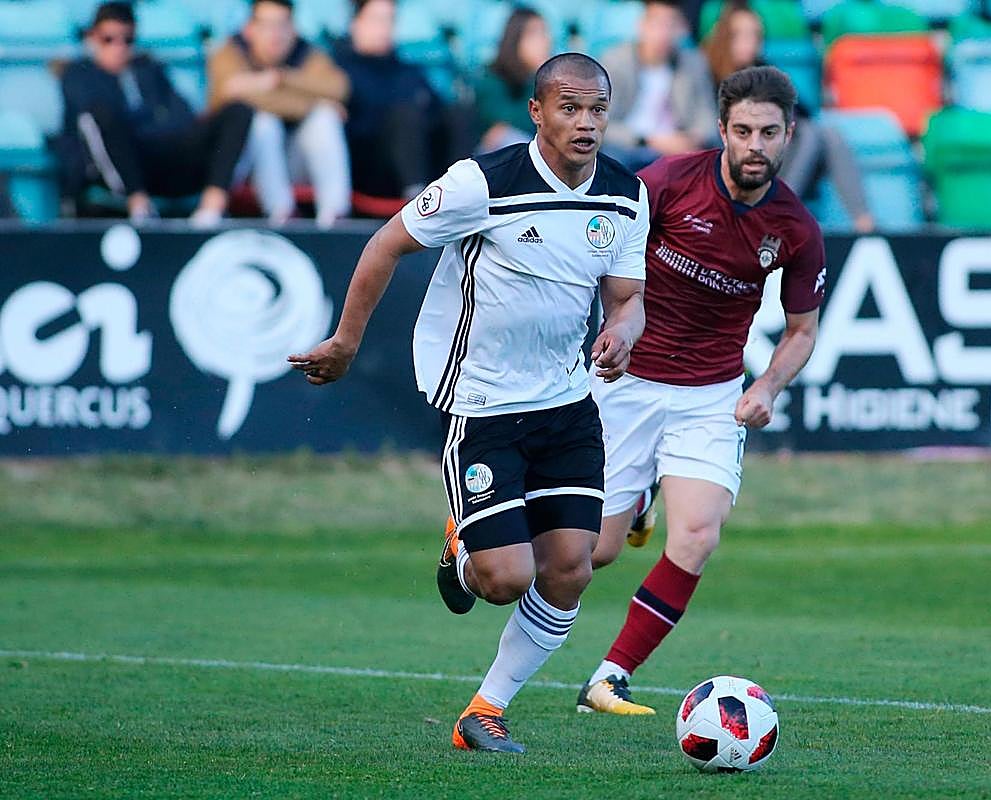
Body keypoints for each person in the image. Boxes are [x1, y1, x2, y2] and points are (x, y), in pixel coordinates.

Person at [287, 53, 650, 753]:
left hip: (567, 403)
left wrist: (620, 332)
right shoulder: (481, 181)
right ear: (536, 112)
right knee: (503, 580)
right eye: (569, 108)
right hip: (483, 403)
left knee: (575, 563)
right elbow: (386, 245)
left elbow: (628, 299)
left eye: (597, 110)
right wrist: (345, 342)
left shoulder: (624, 194)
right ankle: (462, 551)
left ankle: (484, 710)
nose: (585, 123)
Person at [574, 66, 825, 715]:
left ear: (788, 134)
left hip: (711, 394)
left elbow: (801, 332)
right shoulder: (665, 184)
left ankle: (610, 676)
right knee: (589, 554)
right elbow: (605, 262)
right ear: (721, 130)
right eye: (743, 131)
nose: (755, 146)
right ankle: (629, 511)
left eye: (769, 133)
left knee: (697, 537)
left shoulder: (795, 229)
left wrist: (767, 385)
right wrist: (615, 329)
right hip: (625, 382)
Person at [59, 1, 252, 226]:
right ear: (92, 38)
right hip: (126, 163)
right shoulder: (79, 74)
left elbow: (183, 115)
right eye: (109, 39)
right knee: (100, 115)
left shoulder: (149, 69)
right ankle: (139, 206)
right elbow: (96, 122)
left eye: (128, 40)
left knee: (238, 111)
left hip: (165, 154)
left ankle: (211, 209)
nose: (119, 47)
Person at [701, 1, 875, 233]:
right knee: (810, 135)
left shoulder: (763, 72)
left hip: (769, 153)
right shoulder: (705, 70)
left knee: (826, 135)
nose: (749, 43)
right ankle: (776, 210)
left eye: (754, 35)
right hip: (725, 153)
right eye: (740, 35)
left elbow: (800, 111)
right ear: (724, 37)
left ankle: (864, 223)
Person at [207, 0, 351, 227]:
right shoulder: (229, 52)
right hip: (243, 165)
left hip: (294, 160)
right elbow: (227, 94)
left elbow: (339, 88)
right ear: (249, 28)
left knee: (325, 117)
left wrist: (280, 79)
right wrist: (307, 99)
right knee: (262, 122)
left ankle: (334, 217)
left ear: (293, 28)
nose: (275, 34)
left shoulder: (308, 54)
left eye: (282, 25)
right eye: (266, 25)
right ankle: (282, 214)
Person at [334, 0, 469, 200]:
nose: (384, 28)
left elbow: (436, 111)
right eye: (377, 20)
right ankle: (416, 198)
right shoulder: (337, 68)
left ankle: (464, 191)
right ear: (355, 23)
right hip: (368, 162)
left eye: (390, 20)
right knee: (405, 115)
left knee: (459, 112)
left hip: (422, 157)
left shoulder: (407, 70)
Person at [600, 0, 717, 171]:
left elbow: (707, 117)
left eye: (671, 25)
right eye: (657, 24)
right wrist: (648, 140)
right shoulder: (616, 61)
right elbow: (602, 121)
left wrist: (692, 139)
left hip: (677, 149)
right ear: (642, 25)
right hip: (630, 147)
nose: (664, 33)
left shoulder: (692, 63)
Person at [473, 6, 552, 153]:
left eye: (544, 33)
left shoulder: (551, 78)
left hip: (541, 154)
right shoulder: (492, 76)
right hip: (496, 157)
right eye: (534, 34)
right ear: (516, 39)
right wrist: (538, 78)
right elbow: (503, 123)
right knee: (507, 138)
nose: (545, 41)